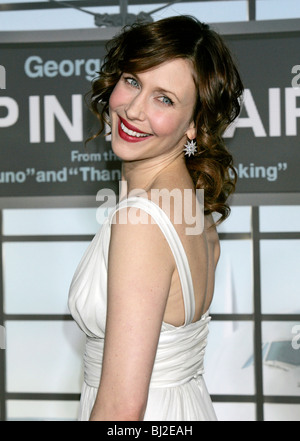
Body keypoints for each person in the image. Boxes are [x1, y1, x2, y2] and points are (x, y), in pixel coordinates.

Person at [68, 15, 244, 421]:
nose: (132, 109)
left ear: (196, 124)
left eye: (164, 98)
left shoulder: (141, 219)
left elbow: (122, 409)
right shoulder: (196, 208)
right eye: (132, 81)